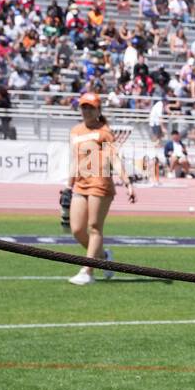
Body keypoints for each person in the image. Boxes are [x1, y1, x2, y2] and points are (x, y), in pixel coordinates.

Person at [65, 92, 135, 285]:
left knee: (94, 227)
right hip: (80, 183)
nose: (86, 111)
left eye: (90, 107)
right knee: (77, 230)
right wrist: (67, 186)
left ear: (98, 110)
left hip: (100, 183)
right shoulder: (75, 131)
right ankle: (103, 257)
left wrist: (127, 183)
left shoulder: (104, 132)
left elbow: (114, 158)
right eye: (83, 107)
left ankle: (88, 271)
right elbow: (74, 160)